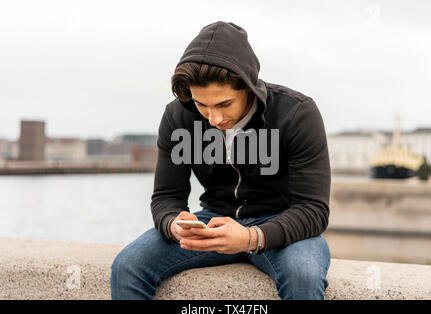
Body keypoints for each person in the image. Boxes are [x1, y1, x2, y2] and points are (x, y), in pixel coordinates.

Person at [110, 21, 331, 300]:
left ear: (248, 87)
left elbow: (314, 210)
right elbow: (165, 198)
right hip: (211, 222)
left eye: (224, 104)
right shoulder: (178, 117)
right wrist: (173, 224)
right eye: (202, 104)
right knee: (127, 267)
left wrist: (252, 237)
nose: (213, 119)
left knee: (304, 275)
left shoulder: (296, 113)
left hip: (281, 225)